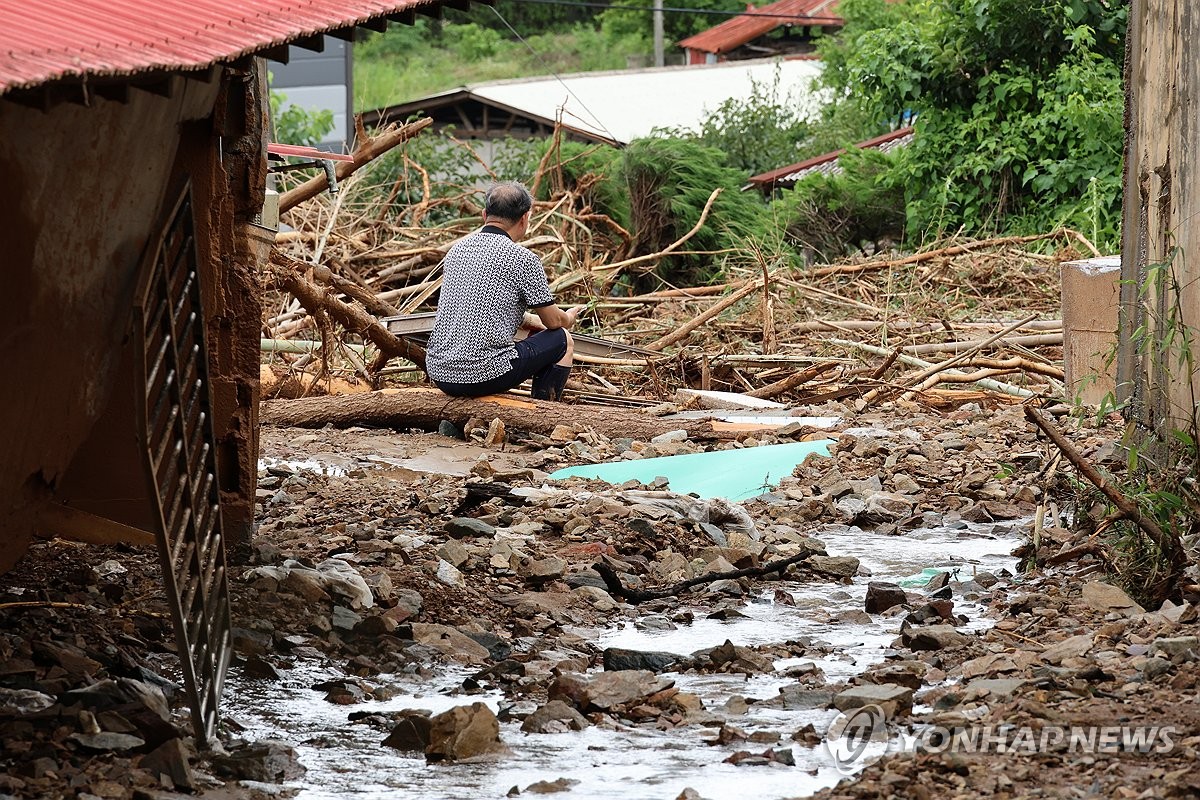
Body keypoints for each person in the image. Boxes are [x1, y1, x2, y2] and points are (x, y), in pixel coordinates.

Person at [425, 181, 582, 401]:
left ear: (484, 214)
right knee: (562, 339)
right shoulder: (523, 259)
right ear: (525, 218)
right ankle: (543, 414)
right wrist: (568, 318)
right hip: (482, 375)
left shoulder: (456, 251)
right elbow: (553, 322)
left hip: (440, 372)